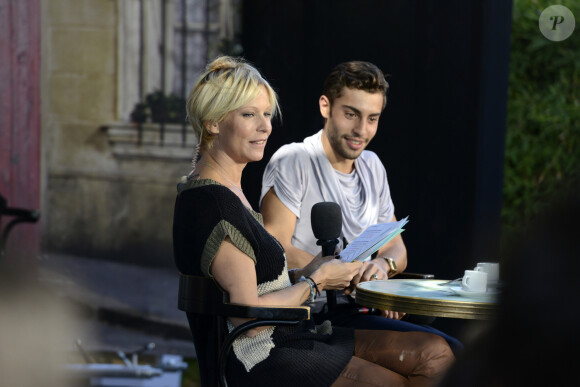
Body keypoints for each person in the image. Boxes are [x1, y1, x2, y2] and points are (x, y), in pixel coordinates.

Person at [173, 56, 454, 386]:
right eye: (249, 114)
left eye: (266, 114)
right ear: (213, 122)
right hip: (267, 355)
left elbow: (257, 279)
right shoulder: (213, 202)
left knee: (437, 354)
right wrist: (316, 281)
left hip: (295, 335)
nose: (265, 126)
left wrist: (307, 272)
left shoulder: (225, 193)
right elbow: (250, 313)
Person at [259, 61, 462, 353]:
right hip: (309, 316)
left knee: (451, 350)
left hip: (360, 311)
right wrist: (344, 272)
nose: (361, 130)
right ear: (325, 106)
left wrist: (381, 267)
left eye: (372, 118)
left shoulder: (372, 166)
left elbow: (396, 249)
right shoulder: (293, 160)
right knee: (443, 351)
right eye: (351, 114)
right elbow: (275, 248)